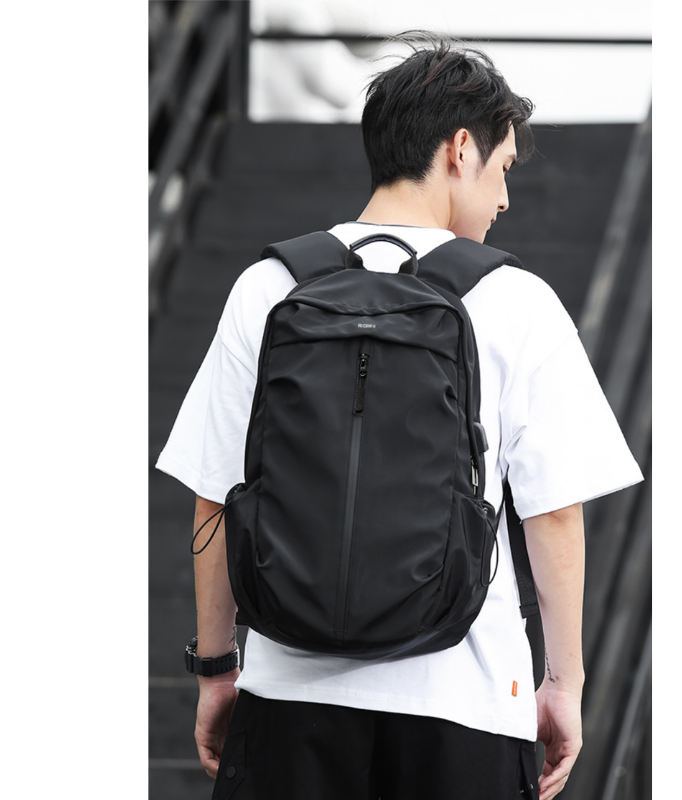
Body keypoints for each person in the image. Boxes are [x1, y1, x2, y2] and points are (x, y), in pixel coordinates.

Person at [156, 35, 643, 800]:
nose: (505, 200)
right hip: (466, 708)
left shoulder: (268, 287)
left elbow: (215, 496)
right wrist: (563, 683)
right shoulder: (517, 301)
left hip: (288, 703)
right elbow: (553, 514)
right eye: (503, 169)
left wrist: (218, 669)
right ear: (460, 150)